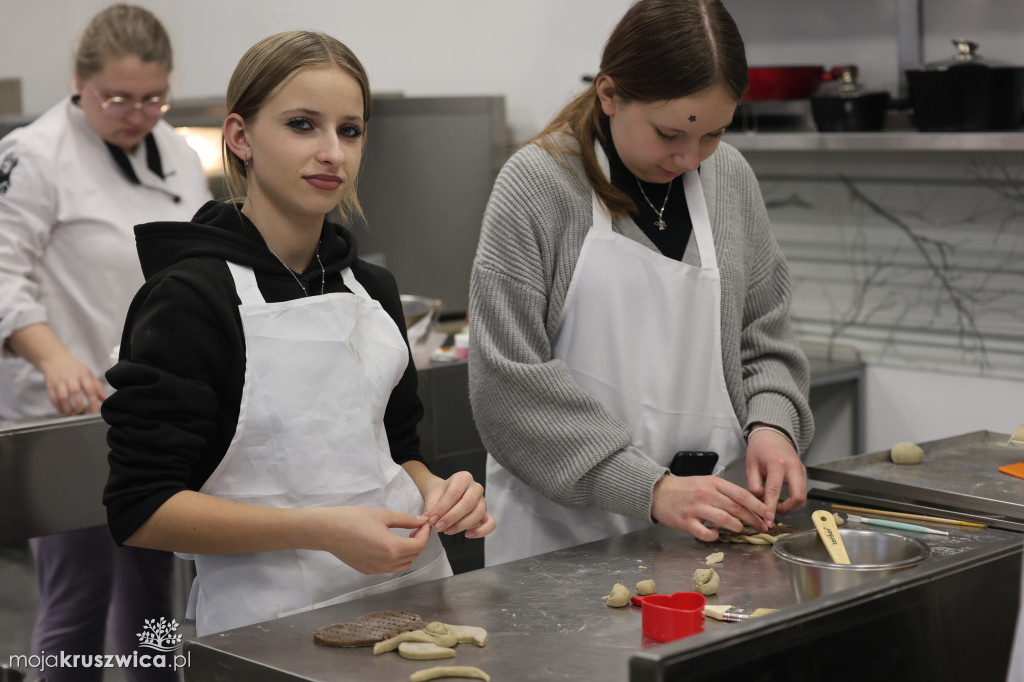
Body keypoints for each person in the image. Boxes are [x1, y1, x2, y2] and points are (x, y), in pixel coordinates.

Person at [102, 30, 496, 637]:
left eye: (350, 130)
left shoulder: (372, 289)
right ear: (241, 138)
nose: (332, 152)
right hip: (269, 628)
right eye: (302, 125)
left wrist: (441, 491)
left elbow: (398, 451)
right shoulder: (190, 299)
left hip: (415, 601)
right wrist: (321, 529)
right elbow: (141, 508)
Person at [469, 0, 814, 566]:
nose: (689, 158)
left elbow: (764, 337)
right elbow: (507, 386)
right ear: (609, 94)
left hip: (711, 535)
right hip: (562, 543)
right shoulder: (538, 184)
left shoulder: (729, 179)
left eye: (713, 134)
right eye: (669, 133)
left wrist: (772, 425)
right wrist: (650, 488)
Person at [0, 4, 211, 679]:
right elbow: (2, 276)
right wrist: (54, 358)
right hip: (66, 413)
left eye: (153, 98)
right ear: (78, 82)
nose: (137, 114)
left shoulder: (176, 150)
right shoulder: (34, 155)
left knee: (153, 594)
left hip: (151, 410)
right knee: (79, 595)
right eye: (117, 98)